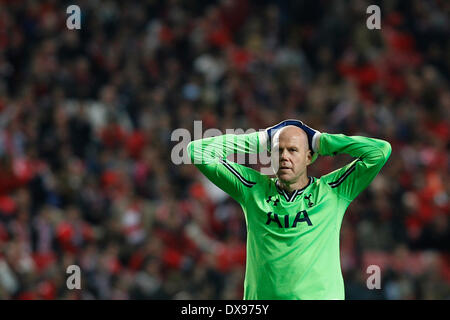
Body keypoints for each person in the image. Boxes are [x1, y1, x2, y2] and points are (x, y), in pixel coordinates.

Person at [187, 119, 391, 300]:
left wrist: (322, 141)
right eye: (278, 150)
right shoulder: (252, 189)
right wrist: (262, 139)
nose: (284, 156)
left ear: (309, 157)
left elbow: (380, 151)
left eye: (293, 150)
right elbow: (198, 151)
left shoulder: (332, 191)